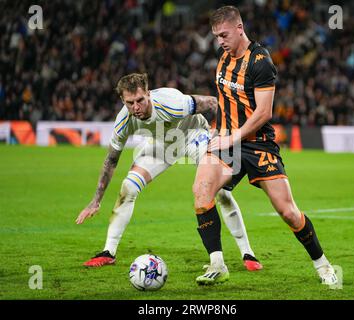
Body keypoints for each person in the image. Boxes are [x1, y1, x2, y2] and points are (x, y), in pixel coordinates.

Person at [192, 6, 338, 286]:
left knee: (288, 212)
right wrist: (218, 133)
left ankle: (323, 265)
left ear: (239, 28)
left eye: (224, 34)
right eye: (216, 36)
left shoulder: (260, 61)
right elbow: (226, 101)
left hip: (258, 144)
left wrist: (233, 137)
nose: (220, 41)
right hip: (226, 141)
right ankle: (217, 264)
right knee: (201, 191)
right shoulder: (223, 59)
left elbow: (263, 113)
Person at [75, 72, 263, 272]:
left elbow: (212, 103)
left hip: (193, 136)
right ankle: (108, 252)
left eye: (140, 100)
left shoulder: (171, 102)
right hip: (161, 146)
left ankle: (247, 252)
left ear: (148, 93)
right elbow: (111, 159)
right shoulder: (124, 119)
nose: (136, 107)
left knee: (220, 191)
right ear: (122, 100)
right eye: (130, 103)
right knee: (128, 187)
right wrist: (96, 200)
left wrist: (219, 132)